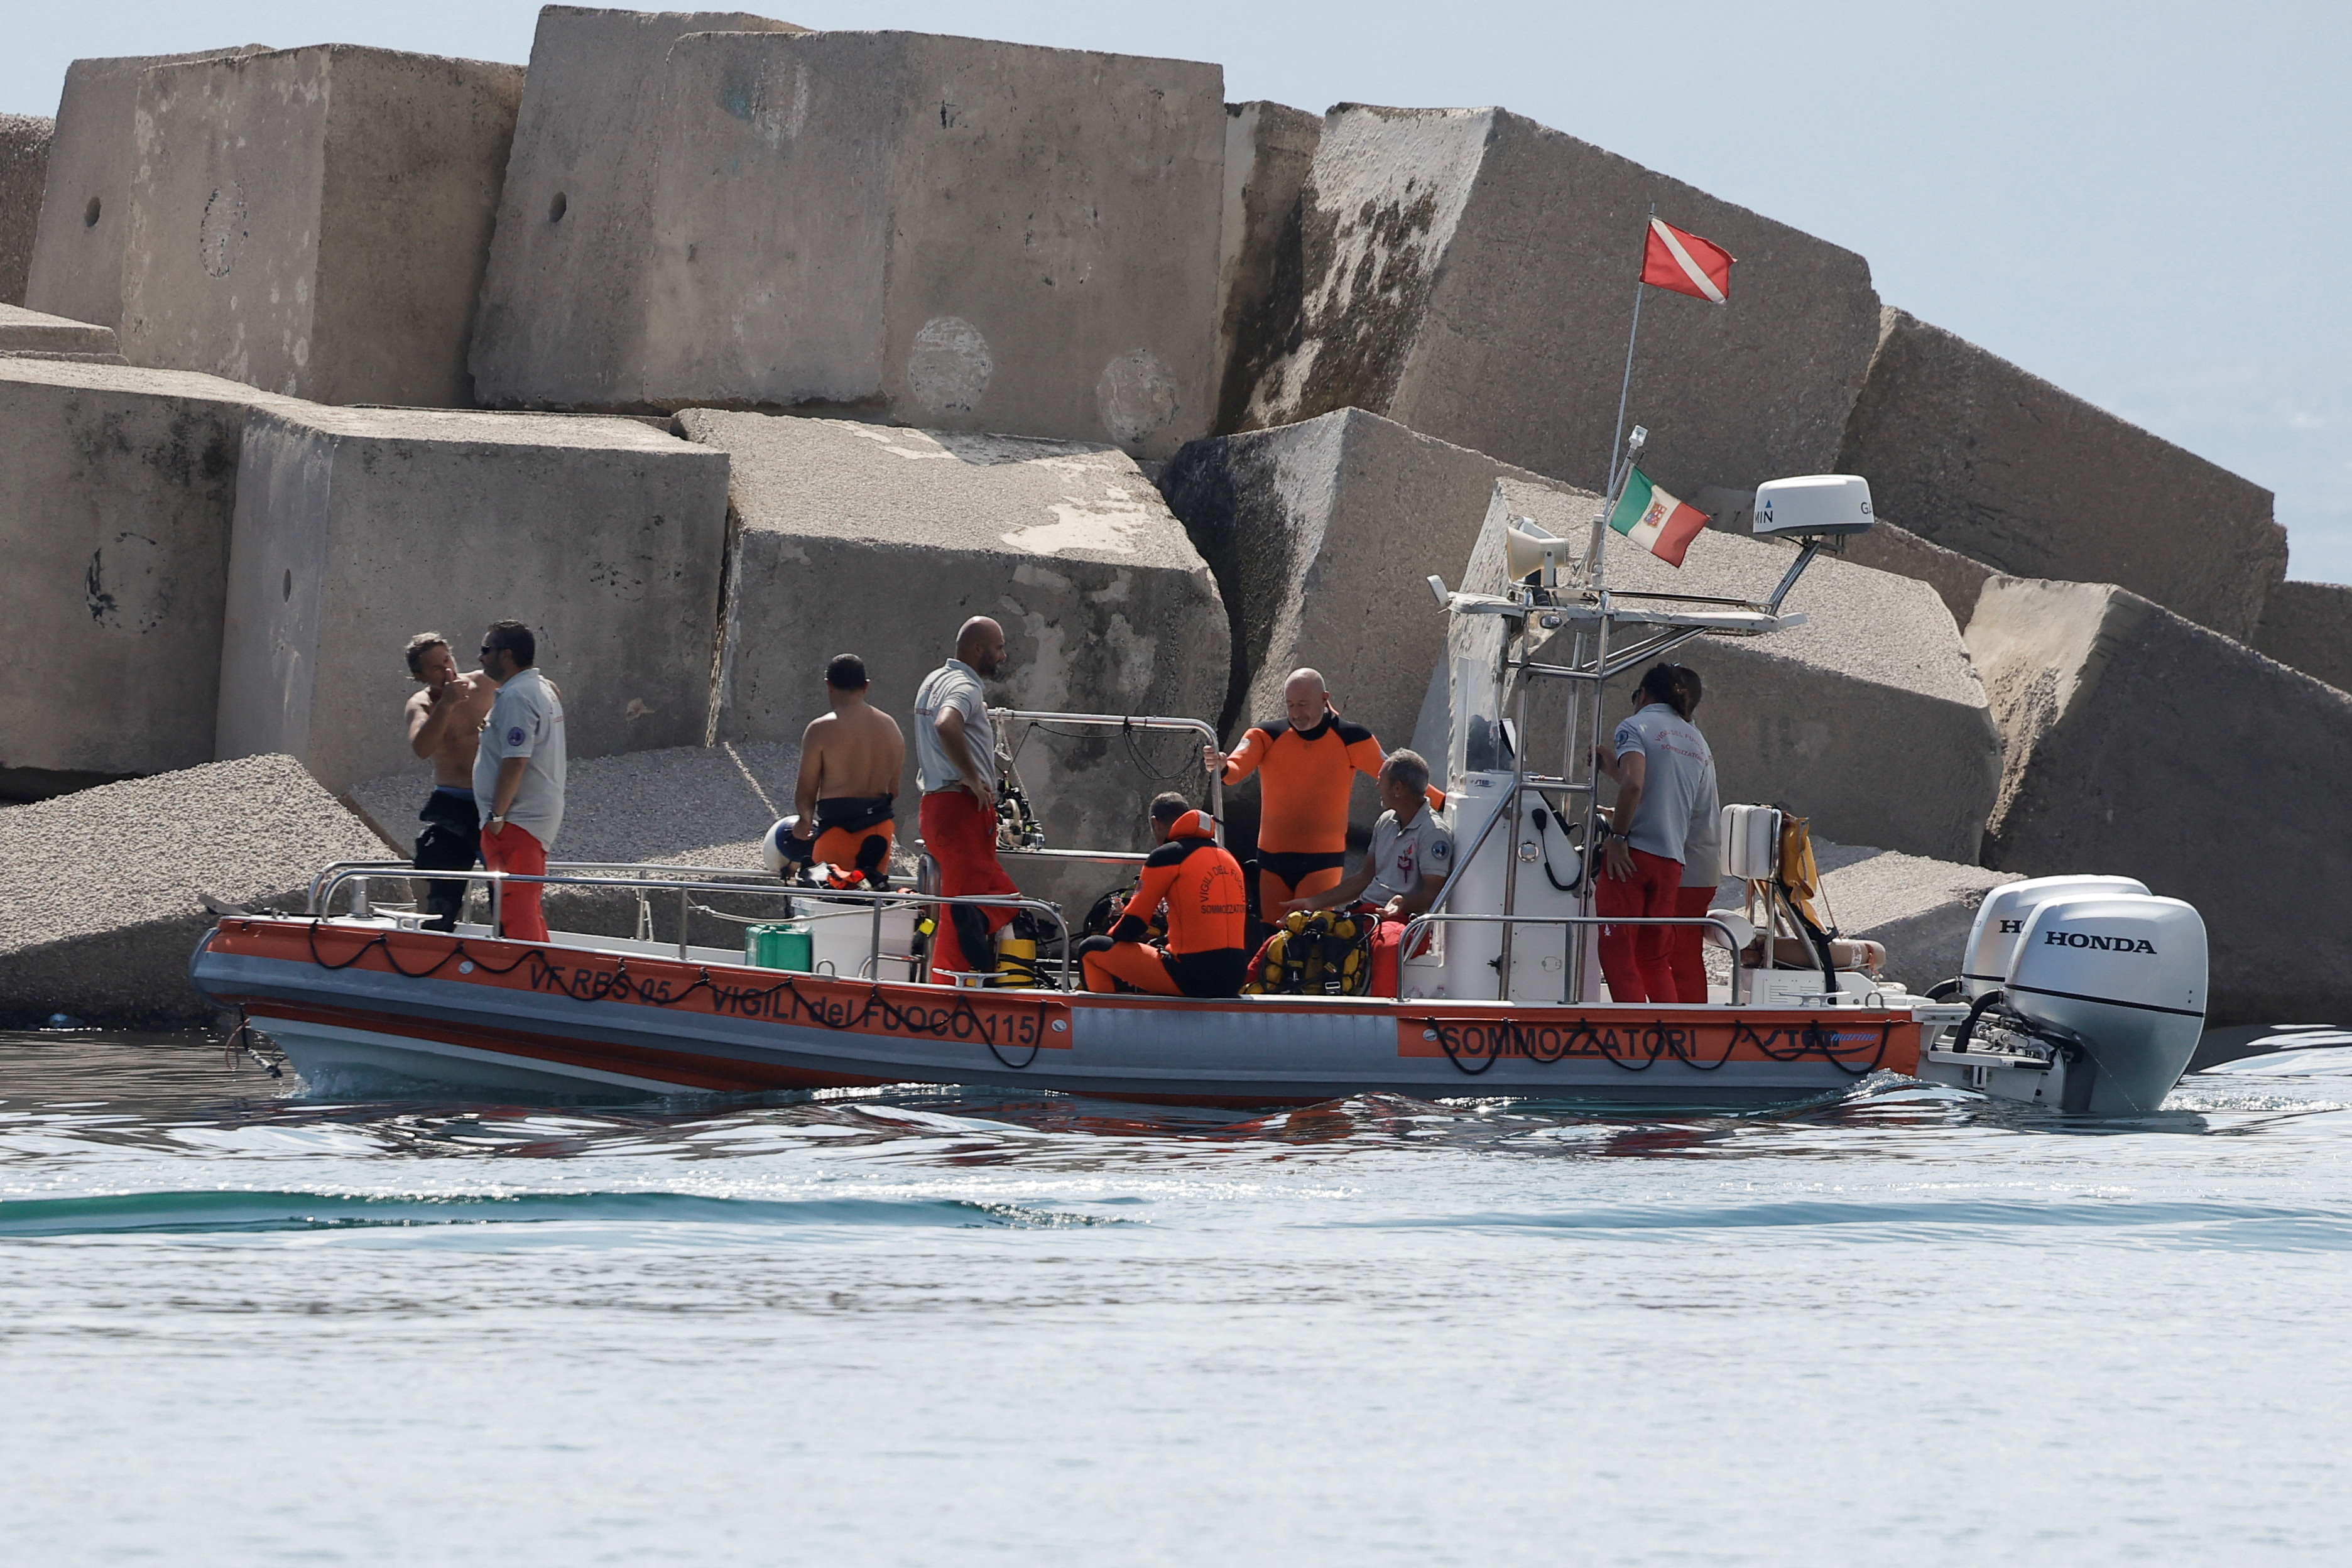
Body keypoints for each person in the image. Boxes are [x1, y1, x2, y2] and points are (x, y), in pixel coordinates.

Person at [1206, 668, 1438, 923]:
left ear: (1324, 698)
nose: (1296, 713)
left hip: (1322, 860)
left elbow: (1401, 778)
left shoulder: (1351, 737)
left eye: (1303, 704)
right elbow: (1234, 770)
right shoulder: (1266, 735)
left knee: (1307, 936)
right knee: (1271, 939)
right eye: (1290, 705)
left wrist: (1444, 802)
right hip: (1272, 858)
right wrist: (1222, 765)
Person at [1273, 749, 1452, 996]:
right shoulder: (1386, 821)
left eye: (1382, 780)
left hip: (1404, 920)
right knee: (1297, 931)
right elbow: (1363, 878)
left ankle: (1382, 1016)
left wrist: (1401, 903)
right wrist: (1312, 904)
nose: (1378, 785)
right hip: (1366, 912)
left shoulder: (1434, 833)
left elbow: (1434, 891)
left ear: (1398, 788)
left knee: (1389, 947)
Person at [1592, 662, 1712, 1004]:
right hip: (1672, 861)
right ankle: (1668, 1039)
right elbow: (1663, 791)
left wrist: (1616, 839)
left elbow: (1634, 785)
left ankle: (1634, 1037)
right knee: (1654, 958)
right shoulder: (1696, 741)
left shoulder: (1635, 726)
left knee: (1618, 952)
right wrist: (1612, 768)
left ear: (1643, 694)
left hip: (1632, 857)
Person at [913, 616, 1021, 980]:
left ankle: (976, 930)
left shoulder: (934, 680)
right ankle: (948, 991)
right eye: (999, 647)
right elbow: (947, 723)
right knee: (959, 908)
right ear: (978, 649)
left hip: (937, 806)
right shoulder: (965, 687)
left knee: (1002, 895)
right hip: (962, 808)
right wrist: (973, 778)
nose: (1003, 655)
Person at [1077, 793, 1250, 997]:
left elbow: (1134, 923)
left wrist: (1112, 944)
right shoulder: (1227, 857)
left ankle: (1106, 1021)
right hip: (1235, 977)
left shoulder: (1167, 856)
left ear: (1155, 824)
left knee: (1092, 950)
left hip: (1192, 978)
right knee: (1158, 946)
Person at [473, 619, 567, 944]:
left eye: (487, 650)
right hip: (523, 820)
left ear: (507, 655)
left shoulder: (517, 696)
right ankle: (538, 970)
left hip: (517, 821)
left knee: (516, 908)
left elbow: (516, 760)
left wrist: (496, 817)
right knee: (519, 905)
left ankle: (531, 976)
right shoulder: (540, 687)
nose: (481, 658)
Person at [400, 631, 496, 931]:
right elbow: (421, 748)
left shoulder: (482, 683)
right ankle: (437, 940)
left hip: (492, 802)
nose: (447, 670)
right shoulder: (422, 704)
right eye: (436, 668)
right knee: (443, 894)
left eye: (448, 660)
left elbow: (534, 689)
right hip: (453, 803)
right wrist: (447, 705)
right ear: (420, 676)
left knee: (504, 888)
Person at [789, 653, 906, 889]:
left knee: (830, 908)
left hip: (838, 831)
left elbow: (806, 790)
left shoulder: (821, 729)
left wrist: (804, 820)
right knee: (869, 903)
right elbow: (894, 790)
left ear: (828, 685)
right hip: (880, 830)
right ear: (866, 686)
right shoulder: (891, 727)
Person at [1666, 666, 1723, 1006]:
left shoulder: (1678, 742)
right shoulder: (1690, 738)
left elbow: (1676, 805)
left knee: (1679, 953)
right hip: (1698, 863)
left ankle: (1688, 1024)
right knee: (1677, 952)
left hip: (1689, 866)